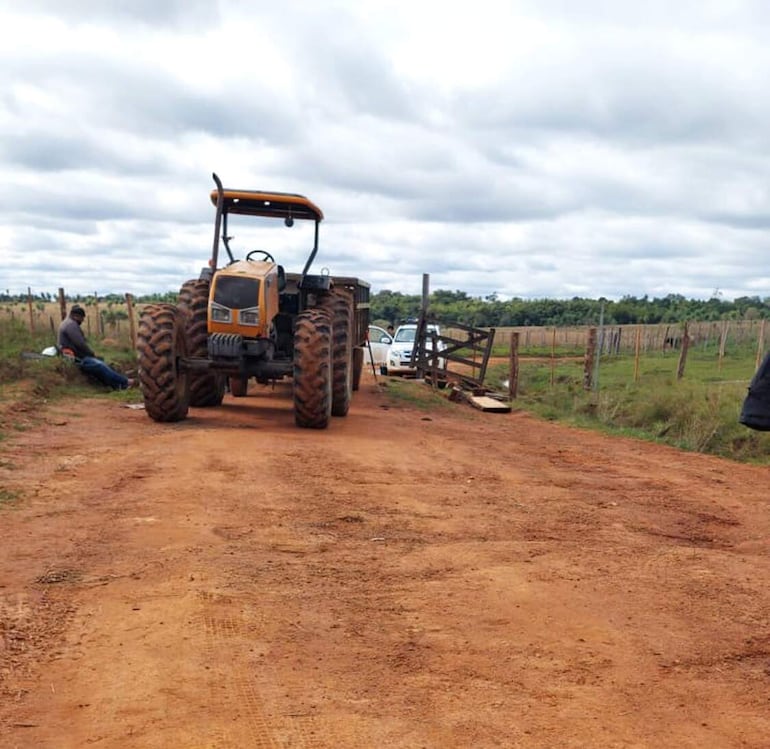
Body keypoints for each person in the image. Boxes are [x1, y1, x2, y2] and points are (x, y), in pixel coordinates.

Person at [58, 305, 135, 390]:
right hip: (76, 358)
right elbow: (80, 344)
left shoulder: (67, 323)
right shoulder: (71, 325)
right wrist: (91, 354)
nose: (82, 321)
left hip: (75, 356)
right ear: (76, 316)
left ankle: (118, 386)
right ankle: (125, 382)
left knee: (102, 363)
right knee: (100, 365)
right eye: (82, 318)